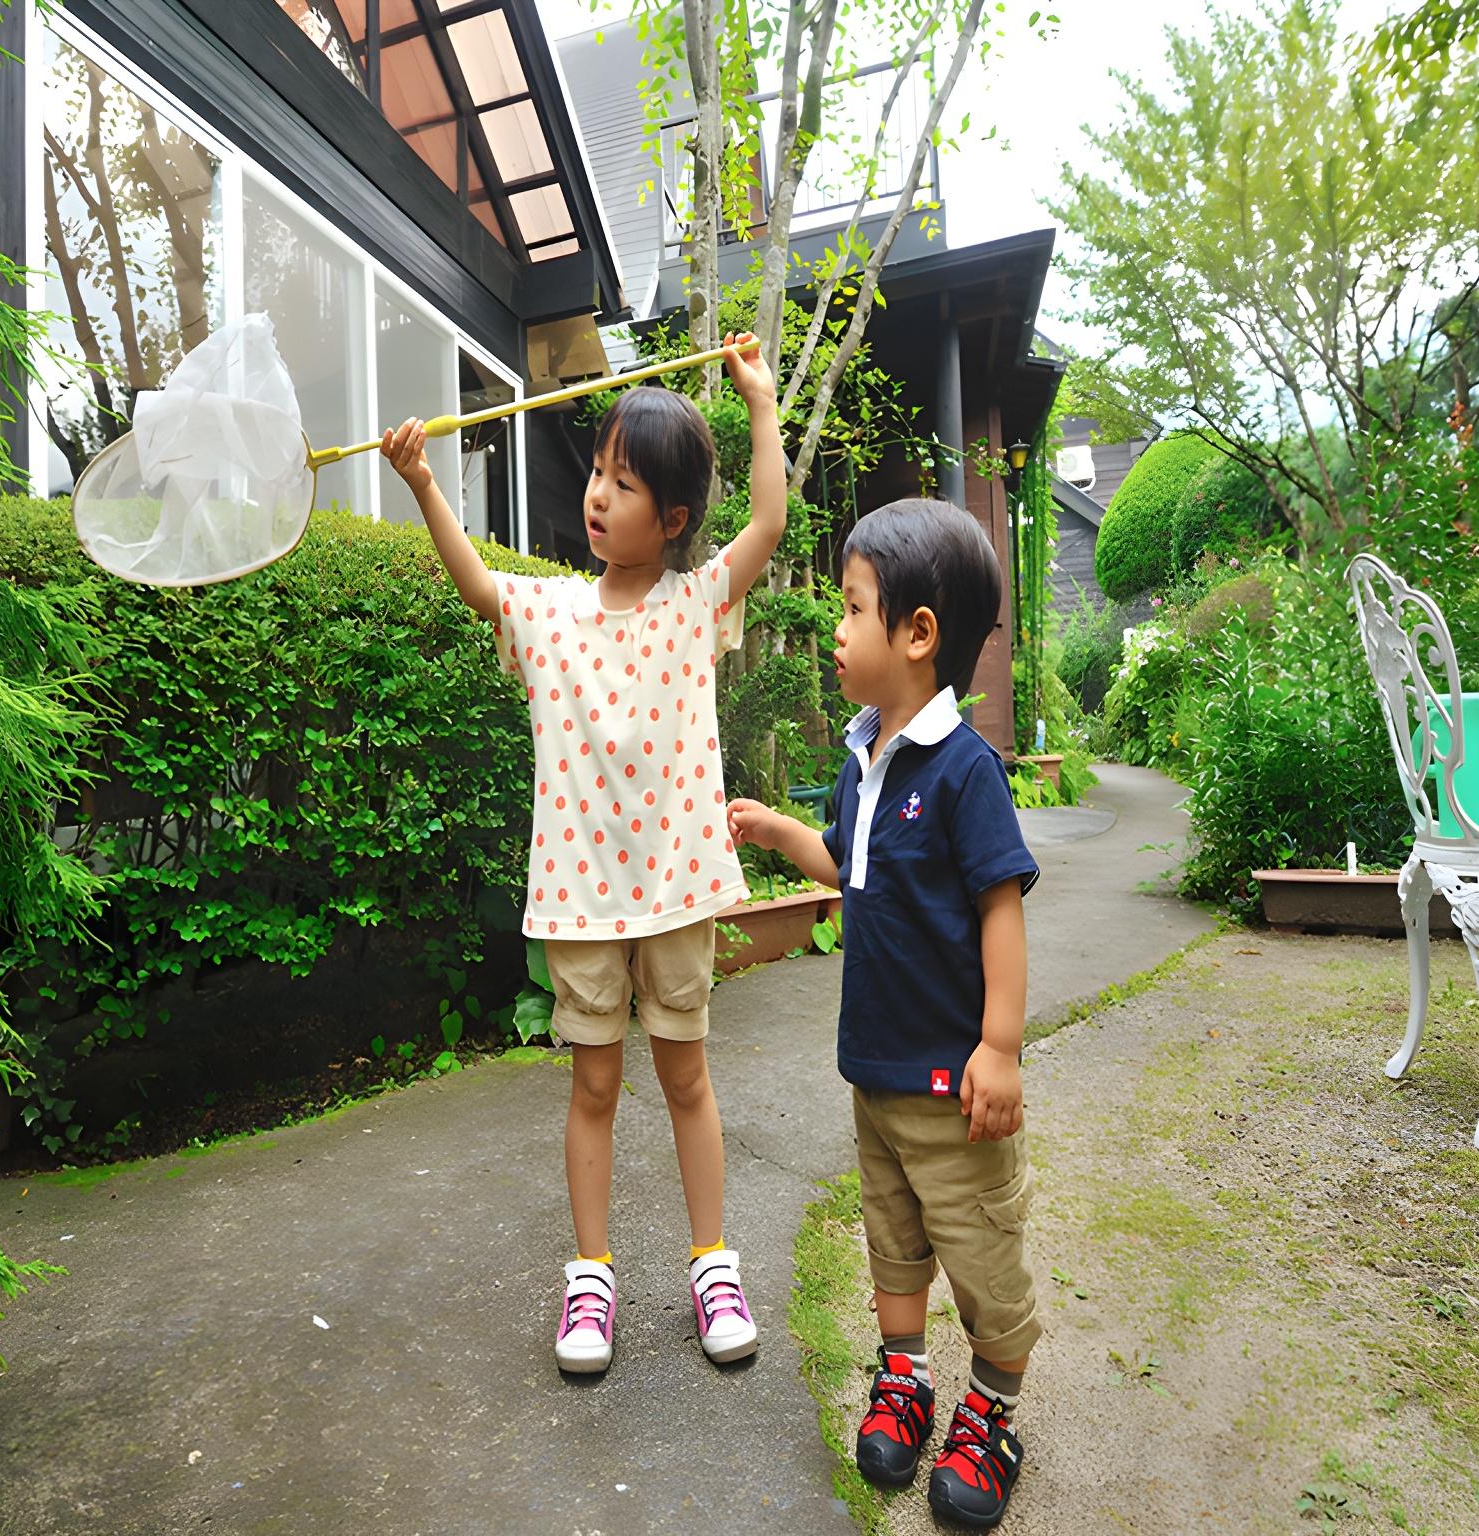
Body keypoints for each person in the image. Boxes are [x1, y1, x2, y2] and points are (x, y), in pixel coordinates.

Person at [378, 333, 787, 1375]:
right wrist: (424, 484)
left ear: (675, 519)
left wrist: (760, 407)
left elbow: (771, 522)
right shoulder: (552, 611)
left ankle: (710, 1263)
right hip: (577, 900)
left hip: (677, 888)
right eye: (598, 474)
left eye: (623, 483)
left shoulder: (696, 607)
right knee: (593, 1090)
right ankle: (590, 1279)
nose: (598, 496)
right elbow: (479, 585)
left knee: (687, 1081)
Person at [726, 499, 1041, 1529]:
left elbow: (1000, 908)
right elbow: (846, 868)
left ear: (916, 634)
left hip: (953, 1090)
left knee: (981, 1257)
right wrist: (780, 831)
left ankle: (989, 1412)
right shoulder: (862, 759)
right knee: (893, 1247)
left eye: (849, 606)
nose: (833, 626)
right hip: (874, 1078)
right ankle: (902, 1380)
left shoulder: (964, 771)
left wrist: (999, 1046)